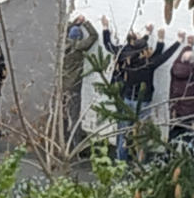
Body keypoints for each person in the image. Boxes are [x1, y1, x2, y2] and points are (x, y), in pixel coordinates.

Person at [102, 17, 180, 161]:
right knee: (142, 132)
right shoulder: (148, 65)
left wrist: (105, 28)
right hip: (143, 101)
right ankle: (140, 161)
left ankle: (121, 159)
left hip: (127, 98)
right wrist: (175, 42)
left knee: (123, 131)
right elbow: (161, 56)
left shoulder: (125, 58)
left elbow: (110, 45)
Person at [63, 14, 98, 149]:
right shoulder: (78, 47)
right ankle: (75, 143)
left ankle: (63, 135)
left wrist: (74, 23)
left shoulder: (63, 45)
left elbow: (65, 30)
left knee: (65, 112)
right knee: (74, 114)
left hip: (63, 85)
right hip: (74, 86)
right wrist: (86, 23)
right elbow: (94, 36)